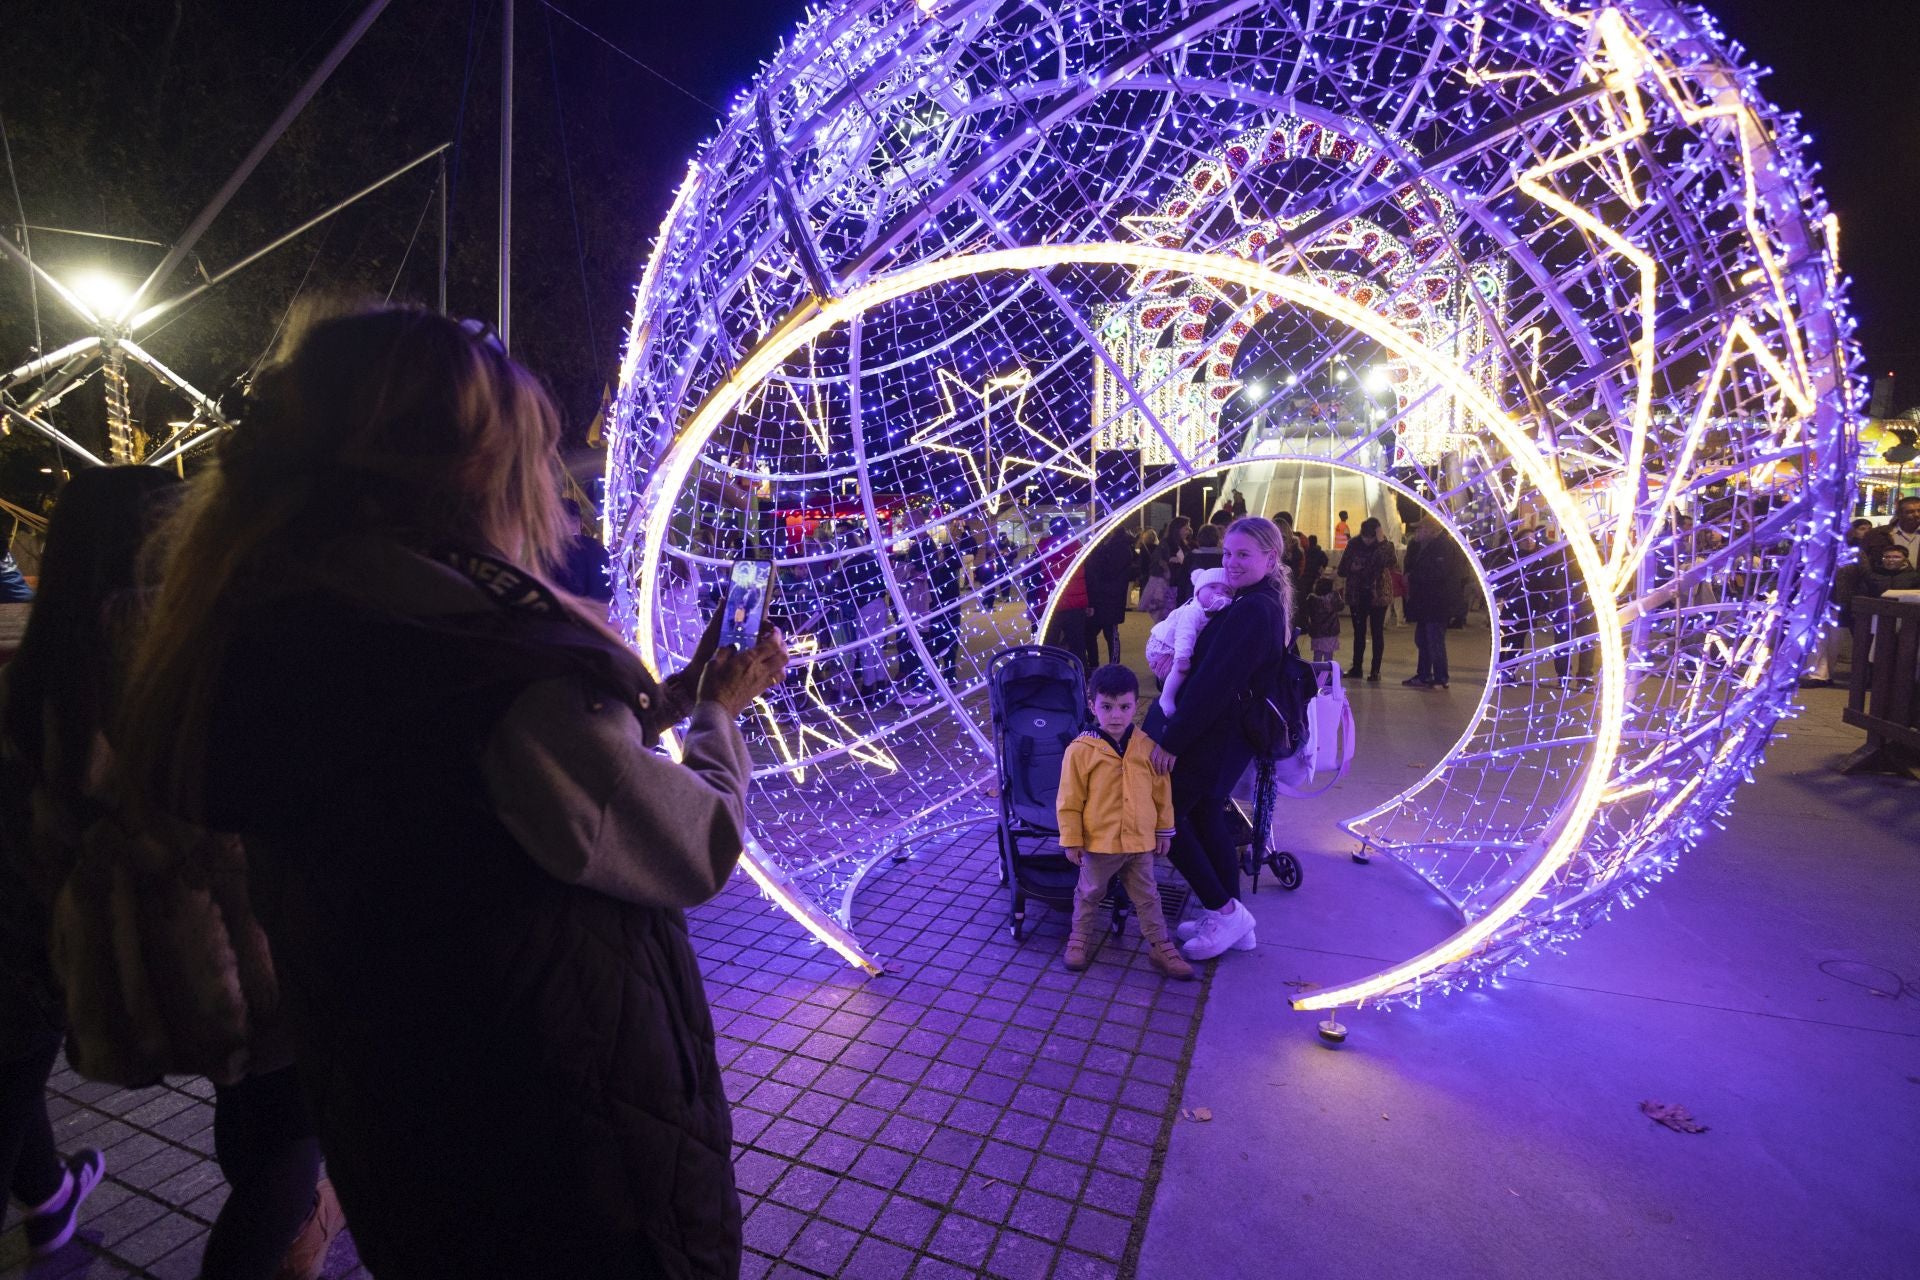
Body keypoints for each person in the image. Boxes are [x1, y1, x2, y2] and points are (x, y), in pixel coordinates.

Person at [116, 306, 789, 1278]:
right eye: (529, 459)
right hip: (577, 1171)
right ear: (465, 473)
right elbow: (696, 841)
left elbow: (519, 792)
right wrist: (722, 712)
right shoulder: (497, 676)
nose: (548, 492)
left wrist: (672, 696)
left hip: (412, 1137)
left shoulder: (297, 628)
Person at [0, 470, 175, 1259]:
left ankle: (50, 1202)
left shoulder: (31, 676)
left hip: (22, 937)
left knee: (11, 1071)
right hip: (44, 950)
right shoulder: (145, 677)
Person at [1147, 518, 1292, 962]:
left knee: (1163, 817)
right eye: (1227, 554)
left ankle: (1223, 910)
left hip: (1215, 734)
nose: (1230, 563)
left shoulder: (1252, 608)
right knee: (1206, 813)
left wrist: (1172, 739)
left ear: (1270, 558)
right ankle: (1234, 921)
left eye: (1243, 554)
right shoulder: (1257, 600)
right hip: (1229, 735)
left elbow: (1215, 682)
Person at [1055, 664, 1193, 979]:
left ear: (1135, 705)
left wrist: (1163, 830)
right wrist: (1072, 839)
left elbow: (1162, 791)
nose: (1116, 715)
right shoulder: (1080, 751)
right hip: (1100, 843)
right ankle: (1079, 938)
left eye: (1124, 707)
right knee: (1089, 892)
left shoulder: (1147, 747)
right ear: (1092, 706)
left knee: (1148, 896)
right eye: (1106, 707)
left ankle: (1160, 946)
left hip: (1140, 841)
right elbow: (1069, 799)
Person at [1144, 567, 1232, 717]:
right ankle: (1167, 698)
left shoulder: (1212, 613)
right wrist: (1182, 658)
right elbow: (1184, 635)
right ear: (1198, 591)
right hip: (1163, 647)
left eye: (1226, 591)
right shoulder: (1192, 611)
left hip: (1173, 646)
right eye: (1212, 587)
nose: (1219, 593)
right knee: (1181, 670)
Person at [1403, 518, 1469, 689]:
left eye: (1421, 529)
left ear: (1431, 530)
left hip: (1437, 602)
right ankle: (1425, 674)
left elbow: (1438, 573)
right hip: (1428, 602)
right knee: (1423, 639)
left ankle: (1440, 677)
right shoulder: (1426, 545)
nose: (1417, 532)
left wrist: (1413, 577)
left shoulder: (1443, 546)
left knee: (1434, 640)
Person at [1337, 517, 1396, 681]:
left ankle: (1375, 670)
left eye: (1371, 537)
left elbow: (1392, 562)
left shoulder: (1385, 546)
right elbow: (1342, 569)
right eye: (1365, 537)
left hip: (1378, 594)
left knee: (1377, 632)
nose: (1368, 541)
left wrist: (1382, 541)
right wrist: (1352, 568)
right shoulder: (1354, 544)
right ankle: (1357, 667)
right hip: (1358, 594)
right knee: (1359, 633)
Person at [1084, 527, 1134, 666]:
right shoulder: (1113, 547)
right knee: (1101, 632)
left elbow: (1107, 572)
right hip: (1107, 597)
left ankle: (1106, 664)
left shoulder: (1117, 549)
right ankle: (1106, 663)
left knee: (1107, 633)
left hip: (1108, 597)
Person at [1860, 496, 1920, 570]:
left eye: (1919, 511)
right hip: (1883, 580)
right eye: (1910, 512)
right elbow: (1863, 561)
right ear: (1899, 514)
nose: (1917, 515)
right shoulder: (1876, 534)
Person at [1304, 575, 1343, 663]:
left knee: (1317, 654)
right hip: (1330, 632)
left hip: (1317, 632)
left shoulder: (1312, 599)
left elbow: (1307, 611)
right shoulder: (1333, 598)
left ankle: (1316, 672)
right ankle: (1326, 674)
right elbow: (1341, 606)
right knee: (1328, 656)